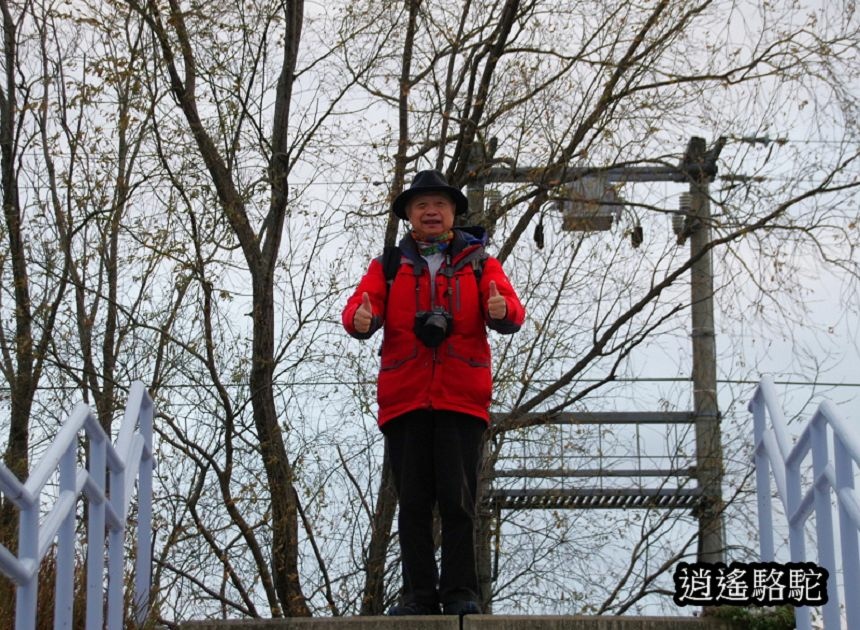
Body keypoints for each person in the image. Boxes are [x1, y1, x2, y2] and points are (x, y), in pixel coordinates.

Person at [342, 169, 525, 616]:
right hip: (405, 398)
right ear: (408, 214)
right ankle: (418, 596)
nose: (430, 211)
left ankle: (462, 593)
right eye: (421, 204)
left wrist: (500, 311)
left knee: (459, 501)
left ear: (453, 214)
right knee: (414, 504)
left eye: (439, 204)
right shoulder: (388, 265)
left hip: (462, 397)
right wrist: (359, 320)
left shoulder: (480, 261)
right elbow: (358, 309)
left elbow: (511, 311)